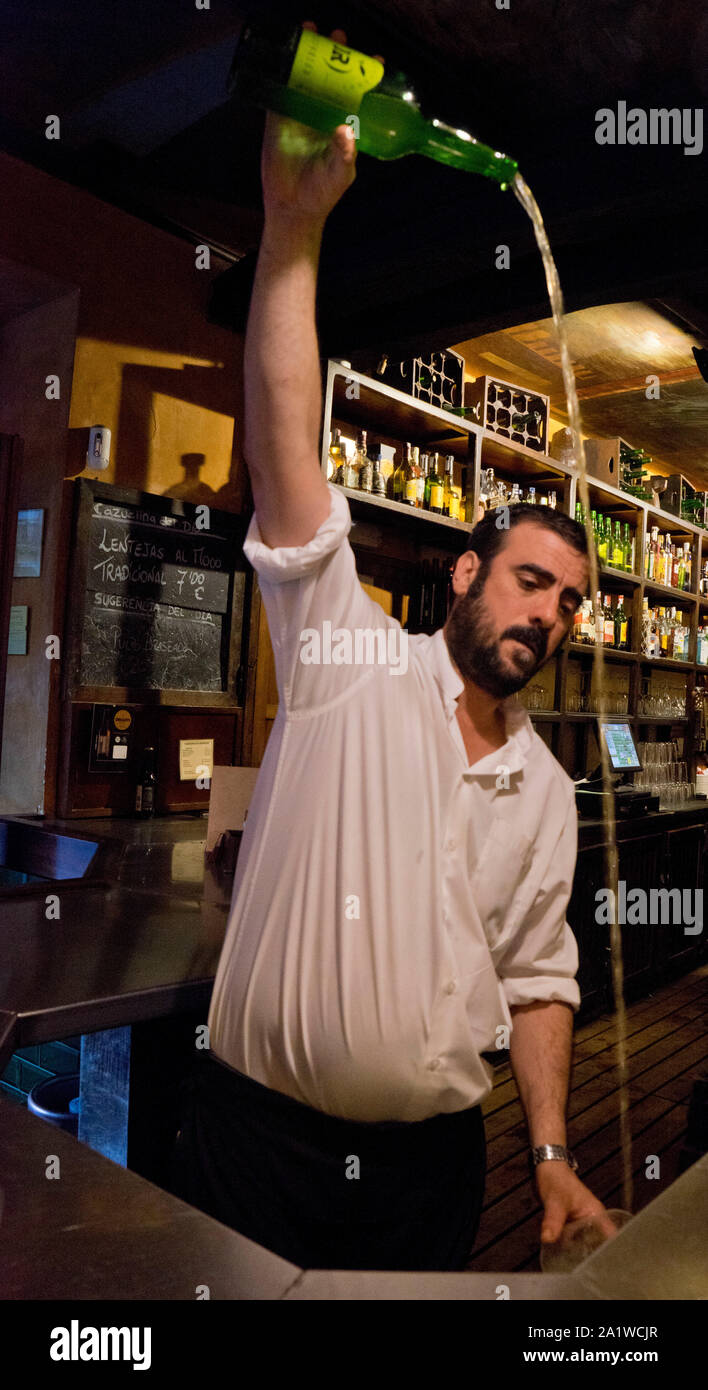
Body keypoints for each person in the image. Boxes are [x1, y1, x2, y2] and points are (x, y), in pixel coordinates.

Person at [169, 22, 617, 1272]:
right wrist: (294, 228)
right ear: (467, 574)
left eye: (571, 603)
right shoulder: (342, 655)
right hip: (255, 1146)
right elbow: (282, 451)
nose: (548, 615)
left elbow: (537, 981)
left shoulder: (546, 792)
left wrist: (549, 1152)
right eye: (532, 580)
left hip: (431, 1173)